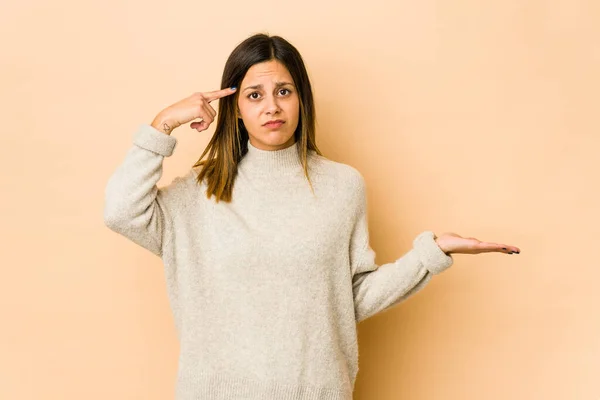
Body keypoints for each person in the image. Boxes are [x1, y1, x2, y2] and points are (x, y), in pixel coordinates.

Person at [103, 33, 520, 400]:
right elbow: (121, 211)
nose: (271, 107)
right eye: (254, 95)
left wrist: (430, 254)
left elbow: (346, 298)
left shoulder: (343, 186)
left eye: (284, 91)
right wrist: (161, 127)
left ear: (302, 98)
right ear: (235, 110)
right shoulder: (198, 194)